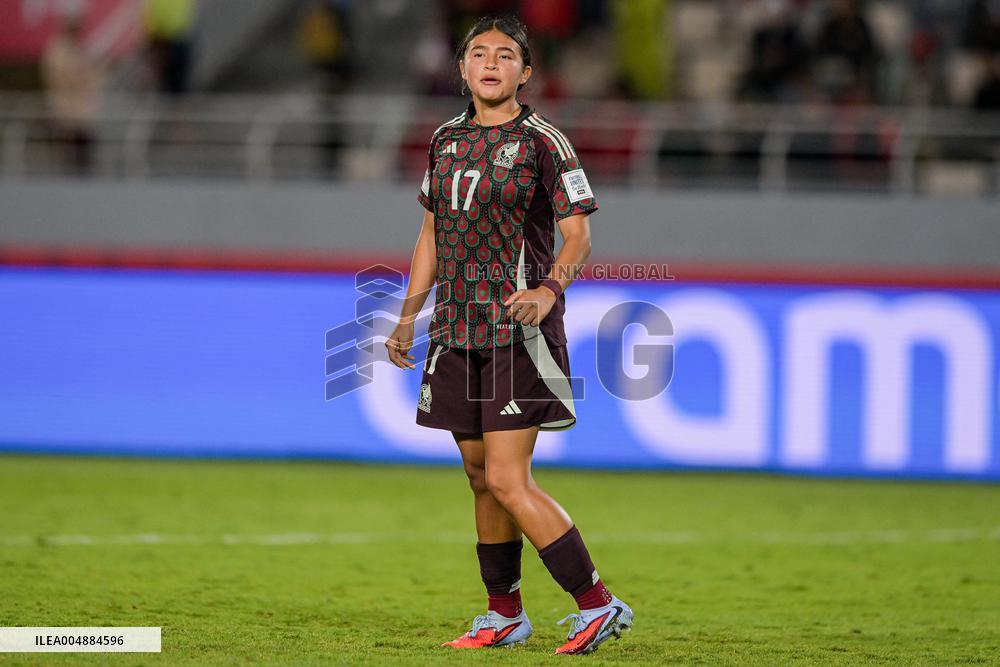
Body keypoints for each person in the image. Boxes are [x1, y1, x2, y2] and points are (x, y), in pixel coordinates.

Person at [385, 15, 633, 656]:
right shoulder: (443, 141)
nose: (490, 63)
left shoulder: (545, 142)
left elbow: (578, 234)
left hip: (518, 332)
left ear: (526, 72)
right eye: (478, 53)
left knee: (506, 478)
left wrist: (548, 290)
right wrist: (408, 316)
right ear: (461, 68)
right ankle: (504, 615)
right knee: (477, 476)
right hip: (454, 329)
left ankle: (598, 605)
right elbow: (431, 236)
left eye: (505, 55)